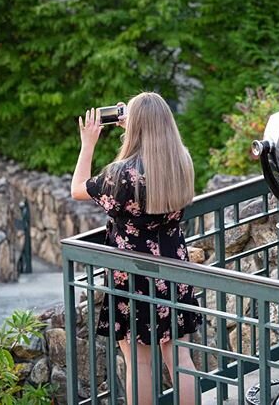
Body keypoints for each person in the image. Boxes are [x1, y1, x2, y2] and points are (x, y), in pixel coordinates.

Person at [71, 92, 202, 405]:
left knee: (139, 362)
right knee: (180, 359)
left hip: (132, 276)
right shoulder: (180, 160)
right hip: (173, 268)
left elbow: (78, 189)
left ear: (136, 124)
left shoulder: (122, 173)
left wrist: (88, 143)